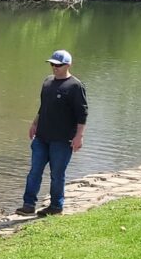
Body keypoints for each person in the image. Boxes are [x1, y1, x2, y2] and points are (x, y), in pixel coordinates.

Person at [17, 49, 88, 217]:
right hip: (42, 136)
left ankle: (56, 206)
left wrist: (79, 136)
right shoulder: (48, 82)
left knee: (57, 174)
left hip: (62, 140)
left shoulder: (75, 86)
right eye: (52, 64)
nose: (54, 67)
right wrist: (34, 123)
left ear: (68, 65)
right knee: (35, 171)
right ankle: (28, 205)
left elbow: (82, 113)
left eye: (58, 65)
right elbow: (43, 107)